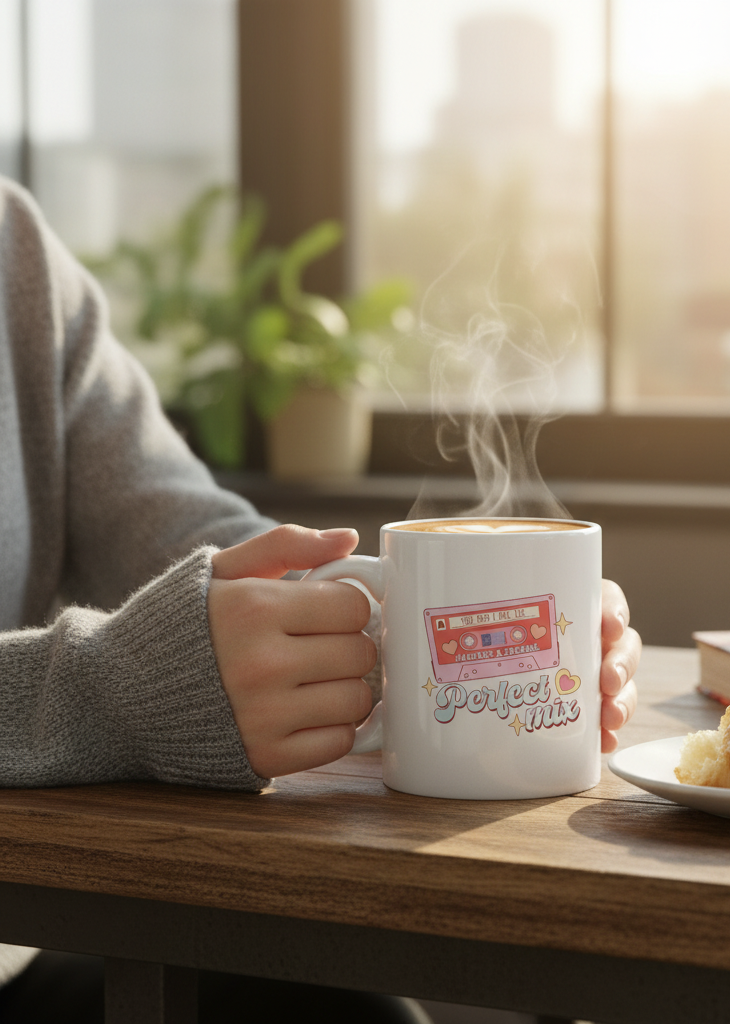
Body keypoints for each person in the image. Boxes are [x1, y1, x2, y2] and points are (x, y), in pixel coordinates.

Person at [0, 178, 641, 1021]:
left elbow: (185, 531)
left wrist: (415, 622)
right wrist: (108, 689)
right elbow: (128, 674)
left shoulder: (15, 252)